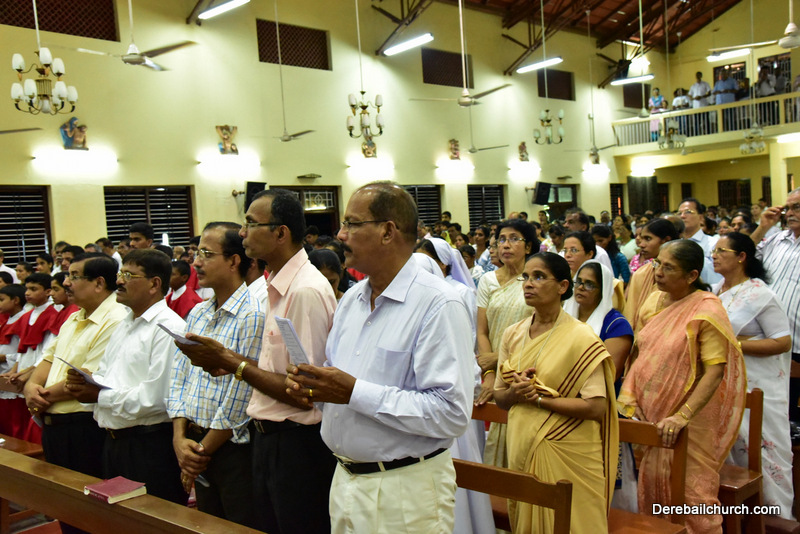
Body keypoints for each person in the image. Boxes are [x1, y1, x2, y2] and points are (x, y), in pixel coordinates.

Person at [284, 182, 474, 533]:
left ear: (388, 231)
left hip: (405, 488)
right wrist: (316, 390)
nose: (340, 234)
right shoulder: (352, 300)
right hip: (345, 479)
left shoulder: (437, 304)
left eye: (352, 224)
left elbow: (451, 413)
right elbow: (341, 387)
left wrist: (352, 391)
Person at [177, 190, 338, 534]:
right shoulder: (273, 287)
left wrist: (232, 362)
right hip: (268, 438)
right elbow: (279, 371)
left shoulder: (304, 291)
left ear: (280, 233)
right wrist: (230, 360)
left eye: (251, 224)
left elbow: (305, 392)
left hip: (297, 444)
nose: (242, 233)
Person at [618, 240, 746, 534]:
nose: (658, 272)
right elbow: (643, 352)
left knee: (693, 496)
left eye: (669, 267)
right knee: (652, 486)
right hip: (650, 415)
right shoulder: (653, 301)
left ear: (691, 275)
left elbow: (715, 371)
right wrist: (633, 397)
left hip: (690, 418)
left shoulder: (706, 309)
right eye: (657, 264)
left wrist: (682, 416)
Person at [493, 252, 618, 533]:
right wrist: (515, 393)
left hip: (566, 448)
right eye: (526, 277)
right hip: (522, 443)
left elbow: (596, 407)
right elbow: (500, 398)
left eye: (539, 277)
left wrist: (538, 399)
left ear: (563, 286)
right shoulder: (512, 334)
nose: (528, 283)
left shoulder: (582, 337)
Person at [64, 249, 188, 505]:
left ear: (154, 284)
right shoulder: (125, 324)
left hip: (148, 444)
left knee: (152, 517)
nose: (119, 281)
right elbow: (107, 375)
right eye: (120, 274)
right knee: (119, 519)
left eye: (129, 275)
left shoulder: (168, 327)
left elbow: (157, 398)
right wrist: (87, 382)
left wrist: (99, 395)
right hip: (115, 441)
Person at [166, 222, 263, 529]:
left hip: (230, 449)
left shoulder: (253, 315)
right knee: (207, 526)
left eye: (206, 254)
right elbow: (180, 376)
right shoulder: (198, 313)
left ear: (234, 260)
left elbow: (242, 393)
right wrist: (179, 438)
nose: (196, 263)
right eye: (197, 254)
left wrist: (200, 452)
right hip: (193, 442)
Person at [22, 253, 128, 534]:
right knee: (65, 507)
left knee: (91, 512)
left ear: (99, 283)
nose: (66, 282)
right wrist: (31, 387)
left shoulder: (116, 319)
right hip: (55, 426)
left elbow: (86, 378)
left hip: (84, 428)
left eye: (74, 276)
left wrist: (40, 397)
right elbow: (48, 358)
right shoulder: (73, 317)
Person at [710, 233, 794, 517]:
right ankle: (738, 517)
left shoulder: (760, 294)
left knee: (763, 451)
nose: (714, 256)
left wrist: (736, 344)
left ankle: (775, 519)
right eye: (714, 251)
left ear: (741, 257)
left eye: (721, 251)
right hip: (723, 383)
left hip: (758, 386)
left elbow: (782, 341)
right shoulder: (716, 290)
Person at [750, 188, 800, 420]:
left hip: (797, 341)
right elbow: (741, 257)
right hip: (768, 340)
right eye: (787, 208)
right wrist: (763, 227)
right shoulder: (776, 240)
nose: (789, 213)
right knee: (776, 413)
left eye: (796, 207)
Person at [565, 260, 633, 381]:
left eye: (589, 284)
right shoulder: (565, 316)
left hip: (597, 389)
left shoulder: (617, 325)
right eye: (578, 281)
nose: (580, 287)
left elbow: (610, 375)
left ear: (603, 290)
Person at [624, 219, 679, 335]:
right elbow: (630, 316)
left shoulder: (680, 275)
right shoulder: (641, 273)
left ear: (666, 241)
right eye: (641, 239)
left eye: (648, 239)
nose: (641, 244)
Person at [0, 284, 27, 439]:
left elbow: (25, 351)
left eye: (1, 300)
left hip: (13, 375)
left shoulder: (24, 319)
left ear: (15, 300)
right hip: (3, 375)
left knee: (15, 424)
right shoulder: (7, 320)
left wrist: (4, 358)